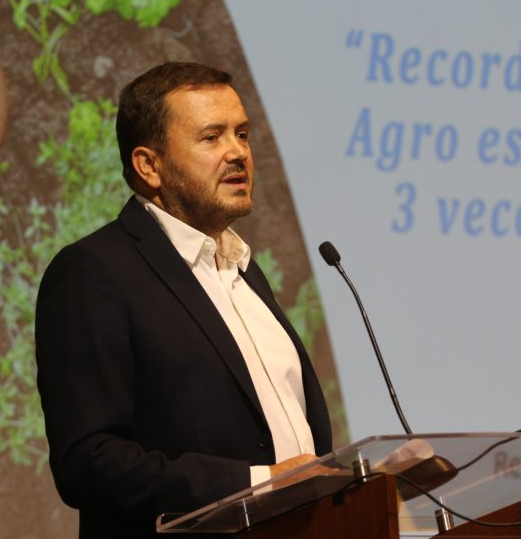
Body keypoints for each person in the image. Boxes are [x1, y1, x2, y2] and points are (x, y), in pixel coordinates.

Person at [35, 62, 333, 538]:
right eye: (212, 137)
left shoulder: (242, 270)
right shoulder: (93, 272)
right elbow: (88, 461)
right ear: (148, 166)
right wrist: (257, 483)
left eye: (242, 134)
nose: (238, 152)